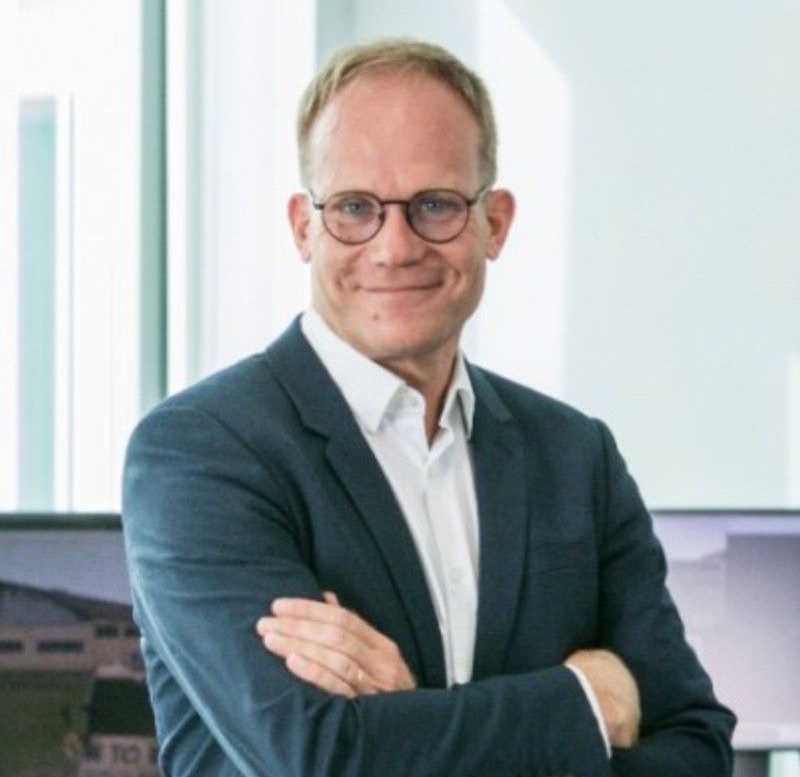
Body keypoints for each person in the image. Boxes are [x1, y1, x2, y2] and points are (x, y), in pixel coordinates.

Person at [122, 38, 735, 776]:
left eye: (435, 206)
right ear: (303, 227)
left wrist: (411, 722)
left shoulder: (576, 457)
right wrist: (585, 704)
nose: (394, 247)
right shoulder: (201, 452)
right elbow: (318, 757)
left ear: (495, 222)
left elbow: (697, 748)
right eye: (354, 208)